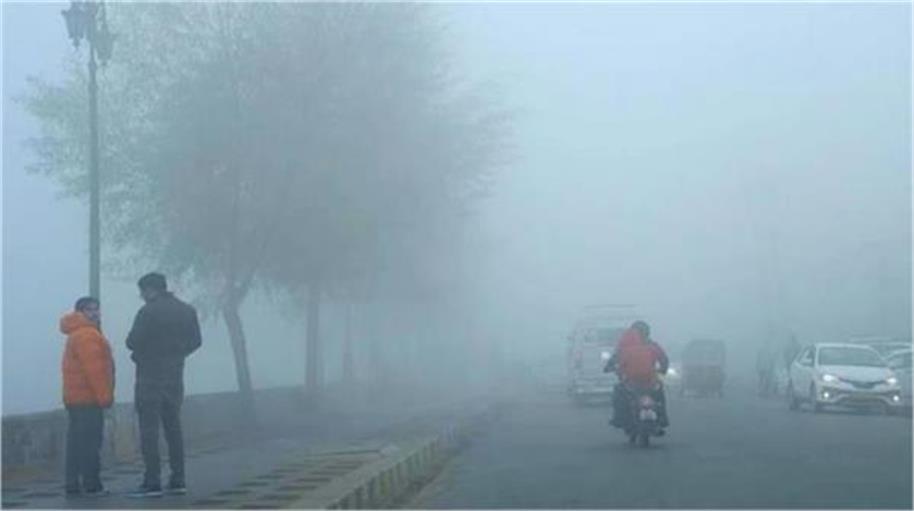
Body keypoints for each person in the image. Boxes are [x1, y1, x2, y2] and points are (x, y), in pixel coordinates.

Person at [126, 273, 202, 498]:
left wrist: (148, 353)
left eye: (142, 292)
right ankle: (178, 479)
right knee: (173, 428)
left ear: (149, 290)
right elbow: (196, 341)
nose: (141, 296)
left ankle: (152, 481)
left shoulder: (148, 311)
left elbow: (132, 341)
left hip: (149, 377)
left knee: (149, 430)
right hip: (175, 377)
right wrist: (177, 355)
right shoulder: (187, 310)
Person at [61, 296, 114, 497]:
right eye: (89, 310)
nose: (95, 313)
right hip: (88, 399)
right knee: (90, 443)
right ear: (79, 313)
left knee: (76, 443)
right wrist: (105, 398)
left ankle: (72, 484)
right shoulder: (87, 335)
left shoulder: (76, 333)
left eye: (96, 309)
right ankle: (92, 485)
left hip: (75, 398)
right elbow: (95, 370)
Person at [605, 321, 670, 430]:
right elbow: (664, 359)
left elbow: (613, 360)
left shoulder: (625, 347)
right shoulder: (653, 346)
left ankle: (618, 419)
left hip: (631, 382)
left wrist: (609, 368)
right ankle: (663, 417)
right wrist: (663, 370)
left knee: (618, 393)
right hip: (650, 381)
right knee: (660, 395)